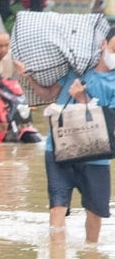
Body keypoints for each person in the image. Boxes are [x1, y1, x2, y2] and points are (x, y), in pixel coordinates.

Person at [16, 27, 115, 244]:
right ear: (103, 45)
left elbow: (111, 120)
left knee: (94, 213)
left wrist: (83, 99)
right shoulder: (77, 69)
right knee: (57, 207)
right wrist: (28, 77)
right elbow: (49, 94)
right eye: (114, 48)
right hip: (59, 148)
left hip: (96, 155)